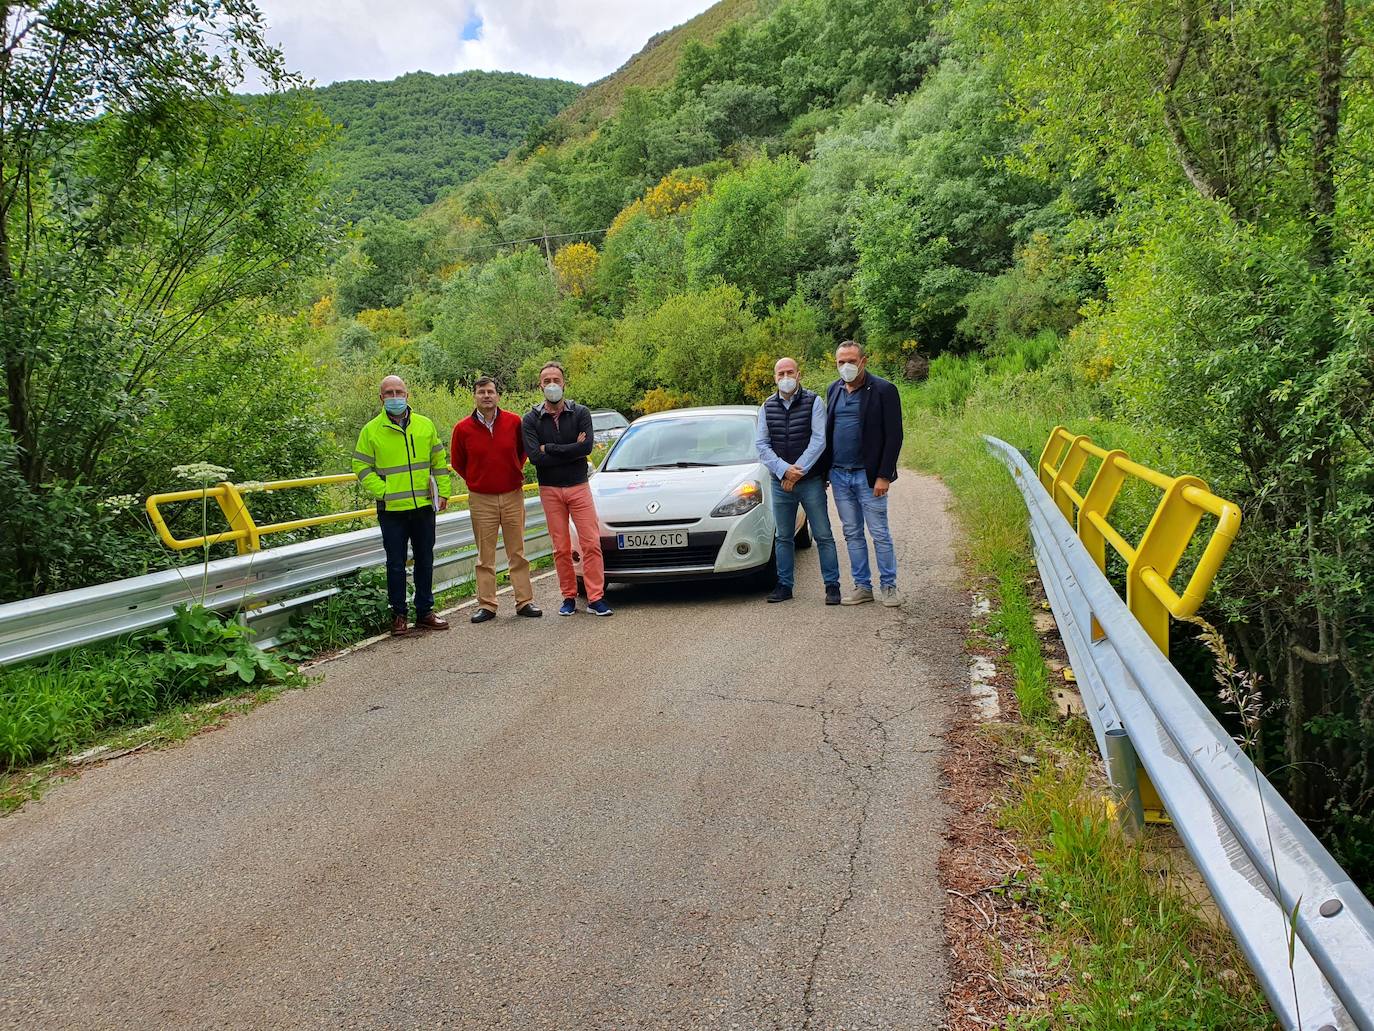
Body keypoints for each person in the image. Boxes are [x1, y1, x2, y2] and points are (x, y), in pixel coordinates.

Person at [352, 375, 452, 635]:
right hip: (392, 510)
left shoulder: (425, 425)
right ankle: (398, 615)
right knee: (395, 564)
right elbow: (360, 466)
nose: (395, 397)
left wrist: (444, 493)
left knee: (425, 560)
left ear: (408, 395)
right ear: (381, 398)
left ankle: (425, 612)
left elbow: (438, 462)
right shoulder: (371, 431)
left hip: (422, 506)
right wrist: (383, 490)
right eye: (389, 393)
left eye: (399, 392)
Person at [521, 361, 612, 617]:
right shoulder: (530, 419)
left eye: (556, 380)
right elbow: (535, 458)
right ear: (540, 385)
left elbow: (586, 448)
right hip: (550, 490)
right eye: (547, 381)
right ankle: (568, 597)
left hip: (579, 486)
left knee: (591, 543)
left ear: (564, 383)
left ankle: (595, 597)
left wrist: (548, 448)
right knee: (561, 548)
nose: (552, 385)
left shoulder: (580, 412)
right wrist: (570, 449)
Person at [451, 377, 542, 624]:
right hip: (481, 499)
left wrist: (510, 472)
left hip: (512, 494)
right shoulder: (462, 429)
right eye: (481, 392)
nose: (487, 396)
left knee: (518, 552)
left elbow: (522, 453)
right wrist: (478, 480)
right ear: (475, 397)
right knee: (485, 555)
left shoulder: (514, 422)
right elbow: (458, 462)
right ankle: (487, 605)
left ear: (498, 396)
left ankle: (524, 601)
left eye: (490, 391)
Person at [755, 357, 841, 605]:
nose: (785, 377)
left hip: (810, 481)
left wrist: (797, 472)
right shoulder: (766, 407)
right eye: (780, 374)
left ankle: (832, 586)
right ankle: (784, 585)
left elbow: (819, 440)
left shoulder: (814, 402)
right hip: (779, 482)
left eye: (789, 372)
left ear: (798, 374)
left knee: (823, 534)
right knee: (782, 536)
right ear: (774, 378)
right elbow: (762, 445)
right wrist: (784, 470)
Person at [825, 341, 904, 607]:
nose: (845, 366)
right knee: (851, 533)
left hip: (868, 477)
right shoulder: (833, 390)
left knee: (879, 532)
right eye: (840, 362)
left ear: (863, 361)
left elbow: (894, 437)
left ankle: (889, 586)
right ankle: (862, 586)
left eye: (851, 361)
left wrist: (884, 475)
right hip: (840, 475)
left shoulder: (883, 390)